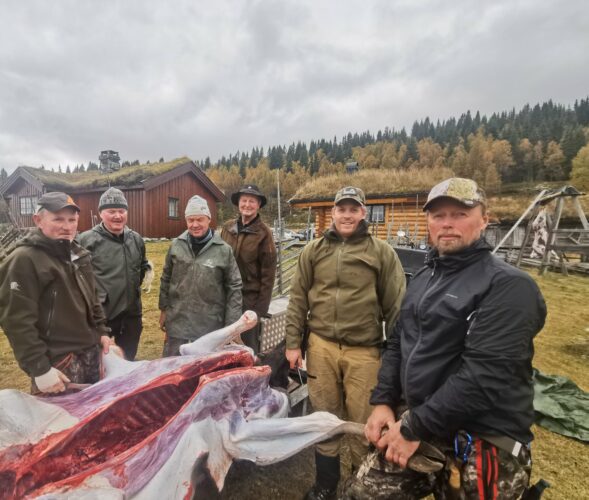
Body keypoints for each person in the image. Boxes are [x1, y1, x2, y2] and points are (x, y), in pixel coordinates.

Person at [345, 178, 547, 499]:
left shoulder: (508, 287)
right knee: (361, 492)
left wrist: (412, 428)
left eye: (460, 214)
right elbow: (398, 341)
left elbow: (484, 377)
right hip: (424, 420)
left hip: (482, 437)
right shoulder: (425, 277)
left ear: (484, 219)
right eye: (438, 215)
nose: (447, 224)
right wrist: (384, 400)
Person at [285, 186, 406, 500]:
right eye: (342, 209)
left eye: (354, 209)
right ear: (334, 212)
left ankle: (357, 487)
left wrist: (398, 358)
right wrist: (292, 343)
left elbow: (396, 307)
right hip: (321, 345)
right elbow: (297, 298)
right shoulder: (313, 250)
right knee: (324, 416)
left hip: (364, 351)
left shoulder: (381, 253)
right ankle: (326, 485)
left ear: (363, 213)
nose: (347, 215)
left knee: (362, 422)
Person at [0, 192, 112, 394]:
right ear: (38, 220)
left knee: (97, 419)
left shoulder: (79, 254)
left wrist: (102, 332)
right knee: (61, 423)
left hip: (91, 355)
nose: (67, 226)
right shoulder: (24, 260)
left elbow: (93, 299)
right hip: (58, 364)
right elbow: (17, 321)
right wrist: (39, 369)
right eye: (58, 219)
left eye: (72, 220)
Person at [159, 195, 242, 356]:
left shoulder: (223, 250)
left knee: (205, 372)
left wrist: (232, 326)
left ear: (208, 219)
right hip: (178, 323)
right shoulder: (176, 245)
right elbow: (166, 278)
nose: (195, 225)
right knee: (171, 371)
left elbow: (235, 287)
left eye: (199, 220)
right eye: (190, 220)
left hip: (209, 326)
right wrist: (163, 309)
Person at [78, 187, 150, 360]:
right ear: (101, 213)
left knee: (128, 358)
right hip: (103, 317)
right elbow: (78, 281)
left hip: (132, 315)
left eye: (121, 211)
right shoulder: (86, 241)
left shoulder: (136, 239)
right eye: (111, 211)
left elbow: (141, 267)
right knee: (102, 364)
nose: (118, 216)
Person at [220, 184, 277, 352]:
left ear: (258, 205)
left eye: (252, 201)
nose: (247, 205)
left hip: (248, 302)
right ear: (238, 203)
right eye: (244, 200)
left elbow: (269, 276)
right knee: (221, 346)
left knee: (245, 349)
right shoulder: (227, 228)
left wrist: (258, 312)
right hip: (224, 298)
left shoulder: (264, 233)